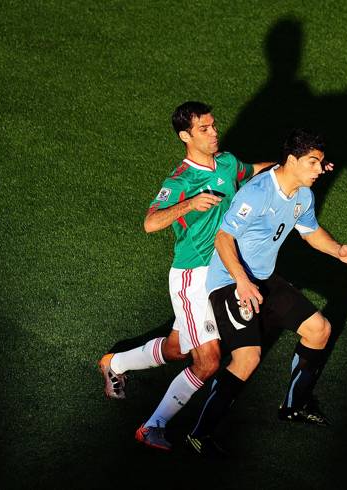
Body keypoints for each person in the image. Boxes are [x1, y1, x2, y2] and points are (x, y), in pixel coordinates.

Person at [97, 101, 273, 451]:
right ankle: (153, 426)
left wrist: (292, 167)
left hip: (220, 273)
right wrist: (189, 204)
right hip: (193, 277)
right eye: (204, 129)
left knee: (178, 348)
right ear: (185, 136)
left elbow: (252, 170)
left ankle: (113, 363)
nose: (213, 132)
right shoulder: (180, 180)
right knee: (207, 360)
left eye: (213, 125)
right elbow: (150, 223)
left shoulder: (226, 162)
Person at [185, 128, 347, 457]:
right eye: (313, 163)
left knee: (319, 329)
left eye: (320, 163)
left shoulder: (302, 195)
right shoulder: (257, 193)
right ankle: (200, 433)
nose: (319, 170)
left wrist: (339, 250)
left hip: (264, 278)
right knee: (247, 358)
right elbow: (223, 239)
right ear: (292, 160)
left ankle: (294, 406)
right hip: (229, 281)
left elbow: (309, 232)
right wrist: (241, 280)